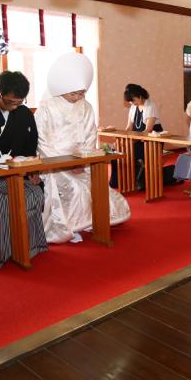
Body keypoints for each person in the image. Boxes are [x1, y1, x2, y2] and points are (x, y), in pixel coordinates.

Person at [35, 52, 131, 243]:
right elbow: (42, 141)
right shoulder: (46, 108)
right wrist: (65, 164)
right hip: (55, 163)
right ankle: (70, 225)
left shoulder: (86, 107)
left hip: (81, 161)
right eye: (74, 93)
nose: (78, 97)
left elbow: (90, 135)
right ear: (62, 88)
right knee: (77, 190)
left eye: (81, 93)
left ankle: (94, 221)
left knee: (98, 187)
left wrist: (84, 160)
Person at [0, 71, 47, 267]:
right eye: (10, 102)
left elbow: (30, 147)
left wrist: (32, 171)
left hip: (16, 174)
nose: (15, 107)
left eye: (20, 102)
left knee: (34, 193)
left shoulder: (24, 113)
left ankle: (28, 247)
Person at [110, 83, 162, 189]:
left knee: (129, 152)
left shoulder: (151, 106)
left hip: (150, 140)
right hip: (137, 138)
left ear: (140, 96)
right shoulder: (133, 107)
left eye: (133, 100)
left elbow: (148, 130)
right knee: (116, 153)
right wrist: (121, 140)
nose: (131, 103)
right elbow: (129, 127)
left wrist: (130, 142)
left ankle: (132, 180)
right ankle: (118, 182)